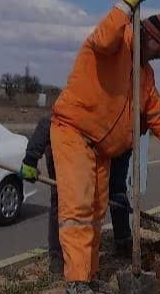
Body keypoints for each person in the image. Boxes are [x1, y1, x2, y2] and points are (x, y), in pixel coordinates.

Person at [49, 0, 160, 294]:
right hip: (74, 131)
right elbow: (101, 39)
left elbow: (156, 115)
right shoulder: (117, 41)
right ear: (150, 36)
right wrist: (125, 4)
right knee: (78, 209)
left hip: (102, 148)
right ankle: (75, 281)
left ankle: (88, 275)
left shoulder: (144, 76)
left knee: (96, 213)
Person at [19, 117, 134, 276]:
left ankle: (122, 242)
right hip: (62, 146)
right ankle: (58, 256)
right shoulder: (73, 108)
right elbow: (47, 122)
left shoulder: (119, 120)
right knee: (60, 199)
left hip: (101, 144)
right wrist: (30, 159)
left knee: (115, 193)